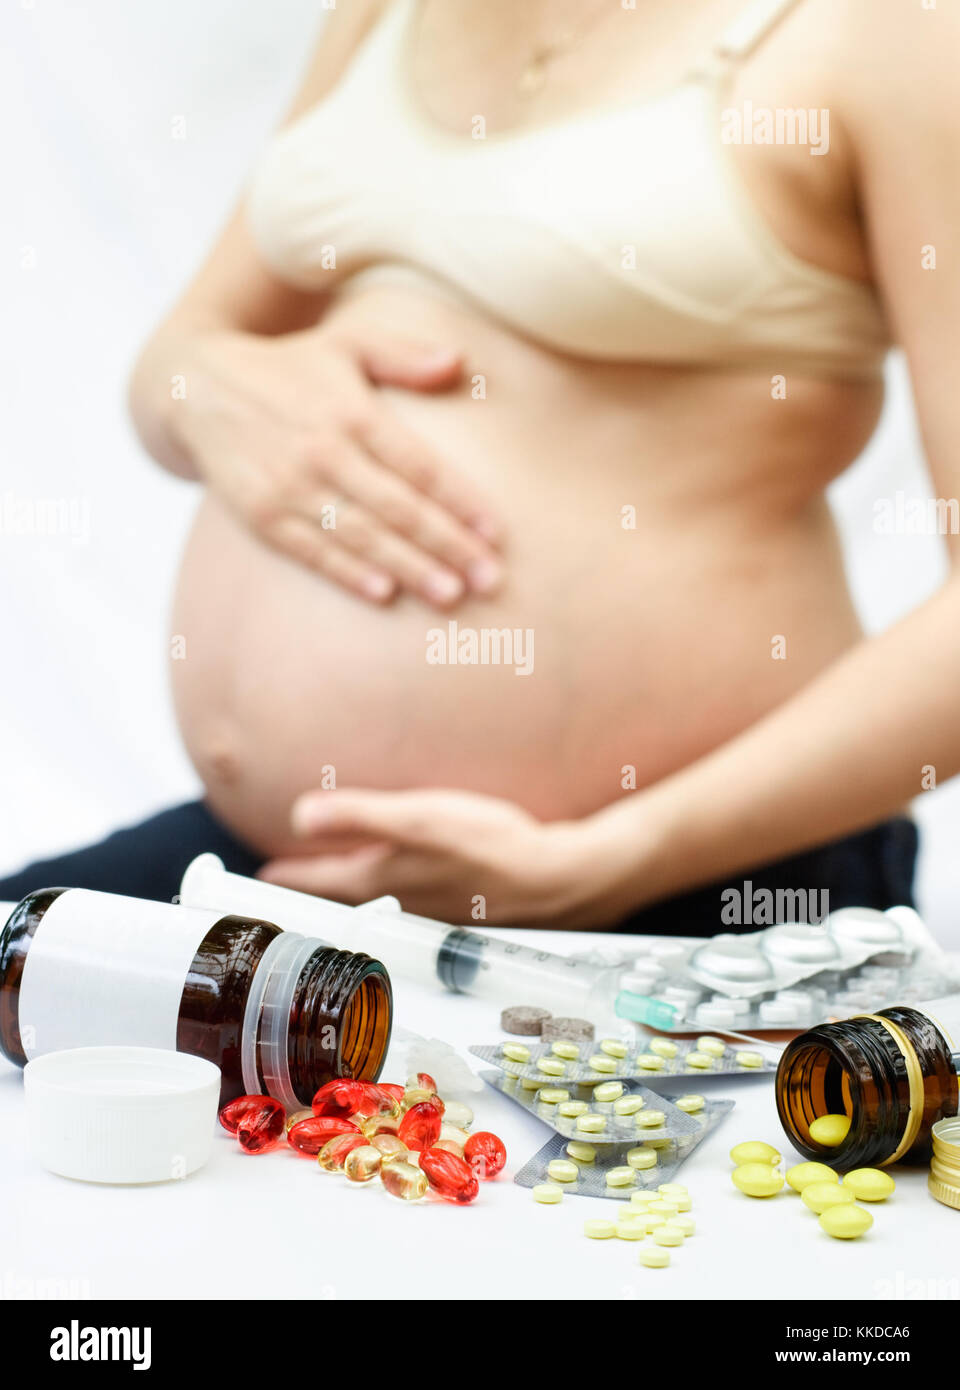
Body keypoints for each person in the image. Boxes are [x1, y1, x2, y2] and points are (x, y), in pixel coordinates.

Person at [3, 0, 956, 933]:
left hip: (688, 897)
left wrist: (612, 859)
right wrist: (200, 388)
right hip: (287, 870)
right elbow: (178, 363)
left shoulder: (891, 29)